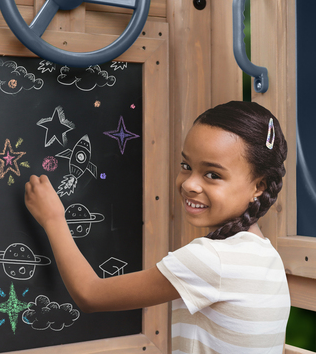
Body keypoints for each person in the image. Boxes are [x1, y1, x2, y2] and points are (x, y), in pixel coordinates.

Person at [24, 101, 290, 353]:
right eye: (186, 166)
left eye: (213, 175)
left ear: (259, 186)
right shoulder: (266, 257)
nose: (189, 184)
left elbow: (90, 294)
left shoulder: (213, 260)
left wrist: (53, 218)